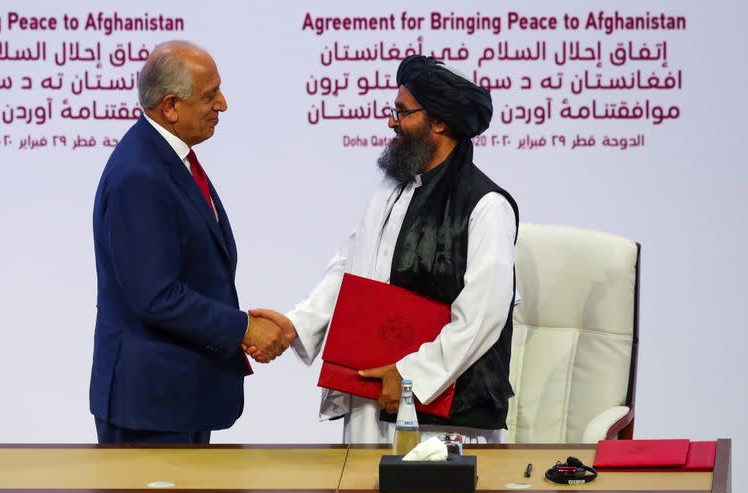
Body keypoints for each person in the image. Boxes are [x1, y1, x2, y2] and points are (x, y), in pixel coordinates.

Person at [248, 56, 518, 444]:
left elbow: (482, 317)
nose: (392, 121)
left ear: (439, 122)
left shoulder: (487, 206)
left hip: (444, 418)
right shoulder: (392, 189)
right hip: (372, 396)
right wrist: (297, 325)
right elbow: (350, 268)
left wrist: (411, 376)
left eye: (402, 112)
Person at [90, 41, 289, 444]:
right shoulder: (140, 176)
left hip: (177, 397)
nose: (223, 104)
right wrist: (243, 328)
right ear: (170, 107)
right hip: (151, 407)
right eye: (210, 95)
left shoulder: (165, 159)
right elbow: (157, 296)